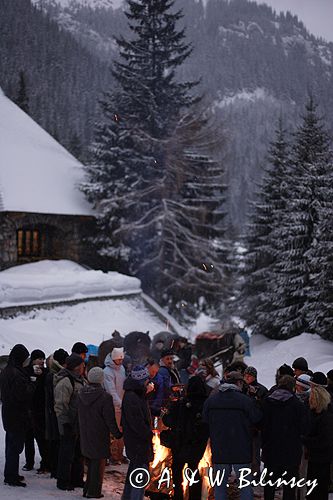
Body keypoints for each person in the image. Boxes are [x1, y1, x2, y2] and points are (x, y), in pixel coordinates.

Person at [203, 370, 262, 500]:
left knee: (220, 486)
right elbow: (257, 418)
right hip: (242, 449)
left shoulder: (212, 401)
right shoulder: (245, 401)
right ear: (239, 383)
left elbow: (205, 420)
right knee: (245, 486)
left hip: (220, 450)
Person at [261, 375, 309, 500]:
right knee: (289, 487)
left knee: (269, 485)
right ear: (292, 387)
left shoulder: (267, 402)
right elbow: (303, 428)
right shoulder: (297, 405)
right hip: (291, 452)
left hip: (271, 450)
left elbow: (263, 425)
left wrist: (264, 444)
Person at [78, 367, 122, 499]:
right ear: (101, 380)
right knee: (98, 465)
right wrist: (117, 433)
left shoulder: (81, 393)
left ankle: (87, 490)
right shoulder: (104, 397)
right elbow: (109, 419)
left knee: (90, 462)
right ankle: (94, 492)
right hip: (99, 434)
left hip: (85, 433)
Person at [162, 376, 209, 500]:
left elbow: (168, 420)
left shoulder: (181, 403)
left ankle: (178, 496)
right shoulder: (206, 405)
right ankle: (195, 497)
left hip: (179, 444)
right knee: (193, 470)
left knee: (177, 471)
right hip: (196, 445)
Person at [0, 344, 36, 487]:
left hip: (9, 413)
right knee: (15, 447)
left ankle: (11, 473)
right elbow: (23, 395)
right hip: (17, 415)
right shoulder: (16, 374)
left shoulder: (6, 371)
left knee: (11, 445)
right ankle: (11, 477)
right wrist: (32, 384)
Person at [54, 353, 86, 490]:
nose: (84, 366)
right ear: (77, 367)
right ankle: (63, 481)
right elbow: (60, 406)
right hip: (68, 424)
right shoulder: (66, 382)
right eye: (82, 364)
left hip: (79, 423)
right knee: (66, 455)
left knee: (79, 453)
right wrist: (65, 424)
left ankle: (77, 479)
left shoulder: (81, 380)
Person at [121, 365, 153, 500]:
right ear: (141, 381)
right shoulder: (132, 397)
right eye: (147, 380)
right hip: (137, 442)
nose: (149, 382)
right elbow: (137, 423)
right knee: (139, 474)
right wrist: (148, 434)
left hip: (136, 441)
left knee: (134, 470)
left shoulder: (137, 394)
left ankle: (127, 497)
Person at [303, 386, 333, 500]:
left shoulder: (326, 417)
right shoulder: (315, 413)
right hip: (315, 457)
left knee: (319, 488)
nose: (309, 400)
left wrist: (305, 439)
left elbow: (323, 440)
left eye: (311, 397)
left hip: (321, 458)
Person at [23, 349, 49, 473]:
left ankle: (45, 463)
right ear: (33, 359)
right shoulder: (26, 372)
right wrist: (32, 377)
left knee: (41, 439)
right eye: (39, 358)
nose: (41, 361)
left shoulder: (45, 372)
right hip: (28, 410)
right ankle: (29, 462)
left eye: (43, 359)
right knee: (28, 438)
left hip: (40, 410)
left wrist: (41, 375)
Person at [45, 348, 69, 479]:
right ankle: (54, 469)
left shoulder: (55, 374)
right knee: (56, 442)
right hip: (54, 413)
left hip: (53, 412)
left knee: (56, 442)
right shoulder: (54, 375)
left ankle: (55, 468)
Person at [103, 347, 126, 465]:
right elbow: (111, 391)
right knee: (114, 432)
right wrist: (120, 403)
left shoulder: (121, 369)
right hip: (113, 407)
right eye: (118, 360)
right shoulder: (107, 372)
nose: (121, 362)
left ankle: (120, 455)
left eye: (122, 360)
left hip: (121, 406)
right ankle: (112, 455)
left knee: (122, 431)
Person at [149, 348, 180, 417]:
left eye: (171, 359)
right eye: (167, 359)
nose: (170, 361)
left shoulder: (170, 369)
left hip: (163, 403)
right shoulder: (163, 371)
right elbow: (164, 387)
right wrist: (172, 388)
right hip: (161, 403)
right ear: (162, 359)